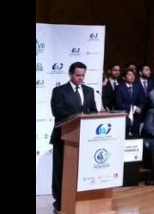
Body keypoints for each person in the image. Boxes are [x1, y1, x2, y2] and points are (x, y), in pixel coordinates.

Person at [50, 61, 98, 213]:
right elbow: (57, 112)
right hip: (63, 137)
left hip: (85, 139)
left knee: (81, 172)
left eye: (83, 75)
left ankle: (78, 199)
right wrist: (78, 117)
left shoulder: (90, 91)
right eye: (78, 75)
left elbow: (94, 111)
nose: (81, 78)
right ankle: (59, 202)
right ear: (70, 74)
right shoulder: (59, 91)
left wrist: (89, 117)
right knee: (60, 171)